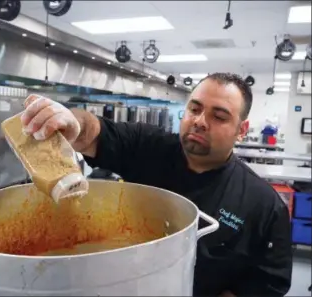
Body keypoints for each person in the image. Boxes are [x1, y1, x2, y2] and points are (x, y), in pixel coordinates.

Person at [21, 73, 293, 297]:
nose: (199, 122)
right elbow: (93, 132)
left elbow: (268, 285)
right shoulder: (148, 147)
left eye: (219, 117)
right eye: (194, 109)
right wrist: (73, 123)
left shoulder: (264, 205)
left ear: (242, 130)